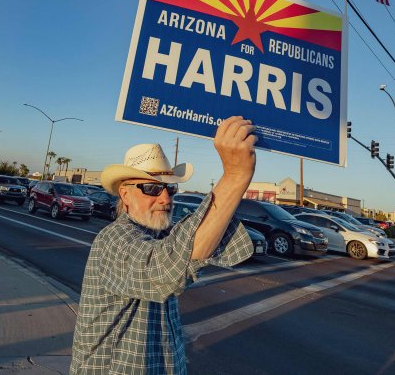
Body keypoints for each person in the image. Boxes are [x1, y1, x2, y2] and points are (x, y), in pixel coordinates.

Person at [70, 116, 256, 374]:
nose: (166, 197)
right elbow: (165, 269)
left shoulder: (160, 236)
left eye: (170, 188)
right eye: (151, 188)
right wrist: (235, 176)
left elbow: (212, 247)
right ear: (125, 194)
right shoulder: (112, 239)